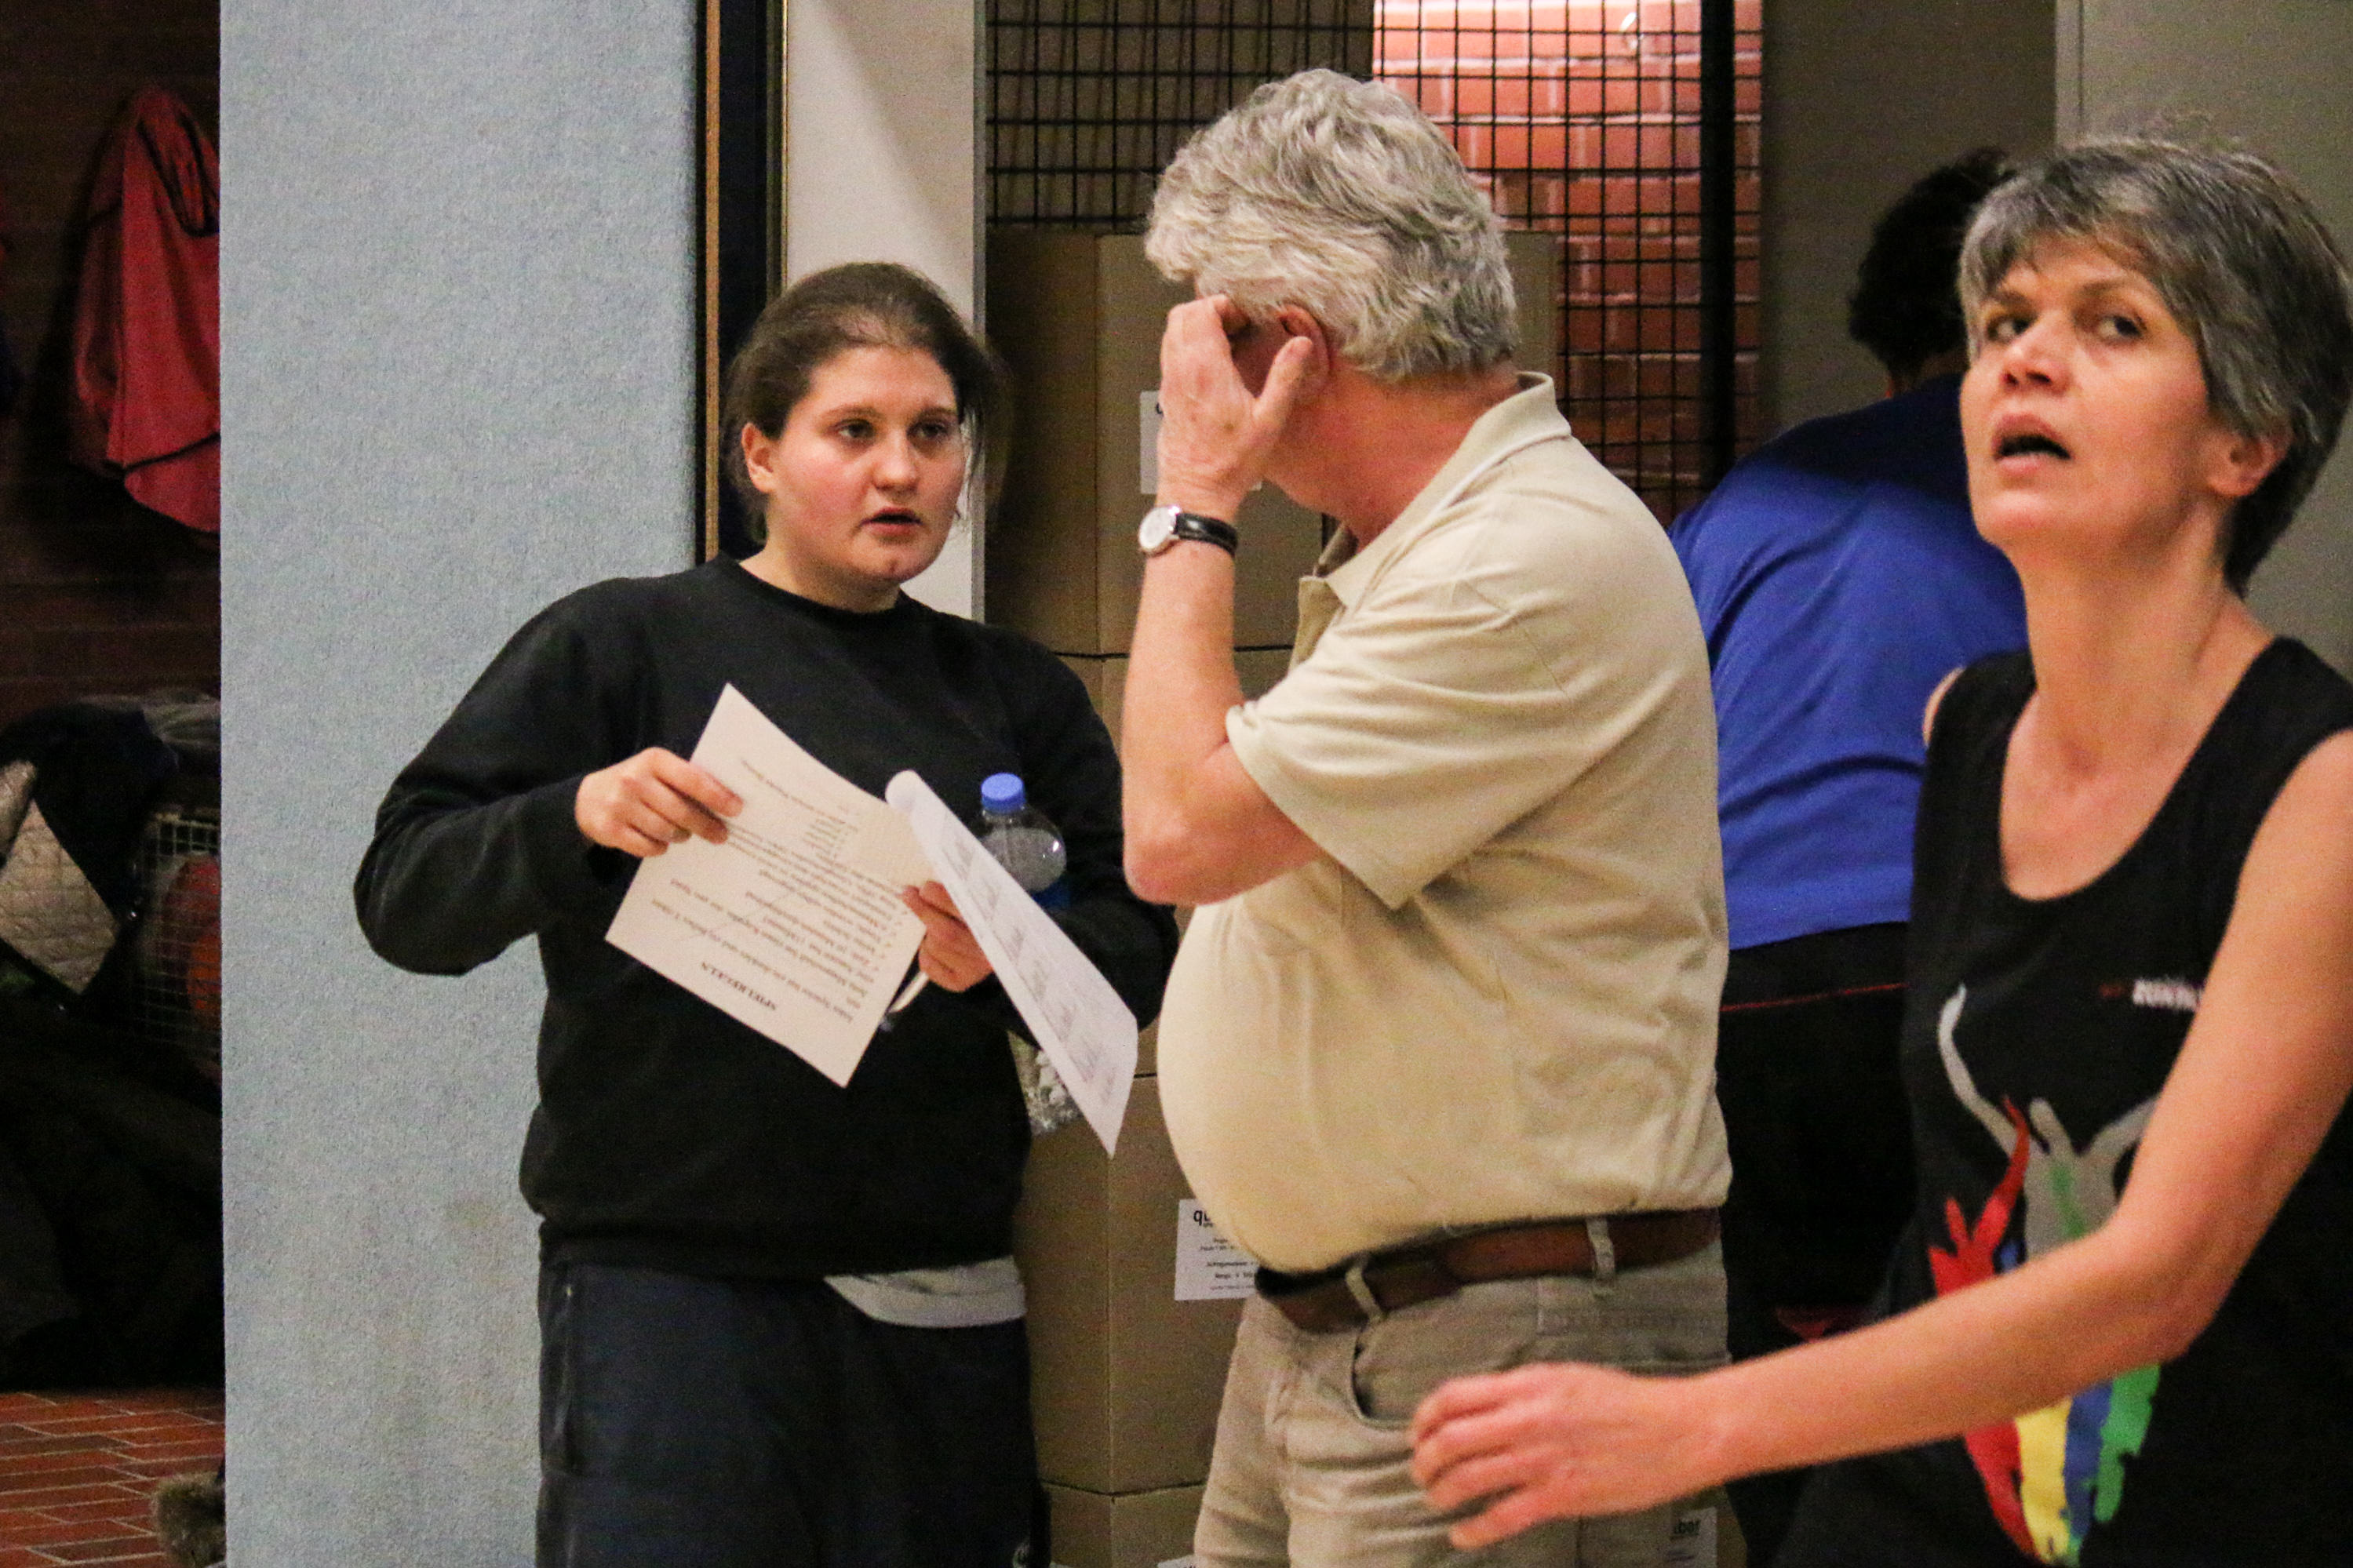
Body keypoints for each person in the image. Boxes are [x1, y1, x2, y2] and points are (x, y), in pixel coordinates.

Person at [1413, 136, 2353, 1567]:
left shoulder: (2318, 793)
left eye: (2113, 326)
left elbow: (2153, 1279)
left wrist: (1700, 1422)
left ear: (2246, 441)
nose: (2027, 362)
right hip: (1935, 1507)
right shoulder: (1964, 728)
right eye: (2003, 323)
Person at [354, 262, 1179, 1567]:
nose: (900, 471)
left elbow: (1142, 948)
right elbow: (403, 896)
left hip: (934, 1288)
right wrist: (573, 816)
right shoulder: (624, 644)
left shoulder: (1010, 690)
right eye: (853, 431)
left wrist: (1012, 956)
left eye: (932, 433)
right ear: (762, 455)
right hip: (671, 1290)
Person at [1123, 70, 1729, 1567]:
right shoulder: (1422, 544)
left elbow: (1179, 834)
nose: (1189, 373)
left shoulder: (1521, 560)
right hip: (1345, 1324)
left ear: (1294, 347)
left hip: (1499, 1332)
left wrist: (1194, 501)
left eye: (1209, 329)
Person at [1668, 150, 2027, 1563]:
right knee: (1984, 1377)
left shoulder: (1749, 500)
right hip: (1946, 961)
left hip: (1744, 980)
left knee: (1794, 1386)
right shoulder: (2044, 481)